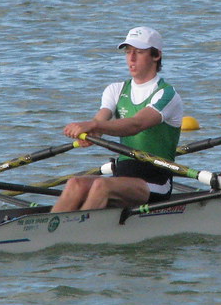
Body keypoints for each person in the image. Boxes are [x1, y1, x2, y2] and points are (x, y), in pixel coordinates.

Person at [52, 27, 184, 211]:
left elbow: (136, 124)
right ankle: (51, 232)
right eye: (128, 52)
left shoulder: (167, 94)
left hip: (155, 181)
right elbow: (101, 119)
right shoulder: (115, 90)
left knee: (101, 186)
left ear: (156, 56)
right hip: (123, 178)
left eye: (139, 52)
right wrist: (91, 132)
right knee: (75, 183)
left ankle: (78, 232)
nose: (131, 58)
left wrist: (95, 125)